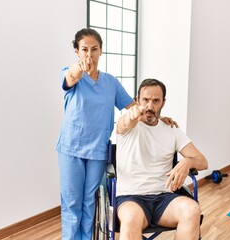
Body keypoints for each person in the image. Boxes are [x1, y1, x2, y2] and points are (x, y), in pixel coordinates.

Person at [56, 29, 177, 240]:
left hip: (97, 150)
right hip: (71, 148)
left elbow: (133, 107)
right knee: (72, 201)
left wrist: (156, 116)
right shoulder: (71, 74)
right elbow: (71, 76)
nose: (89, 55)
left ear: (101, 51)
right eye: (84, 50)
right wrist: (79, 68)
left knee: (89, 201)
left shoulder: (110, 82)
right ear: (77, 51)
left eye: (94, 49)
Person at [115, 78, 209, 240]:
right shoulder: (127, 125)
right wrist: (132, 115)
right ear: (137, 100)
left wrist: (187, 162)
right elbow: (126, 122)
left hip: (164, 198)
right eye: (145, 100)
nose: (150, 106)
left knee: (192, 210)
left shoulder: (171, 129)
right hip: (130, 198)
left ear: (163, 103)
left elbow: (202, 161)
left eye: (156, 101)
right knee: (131, 218)